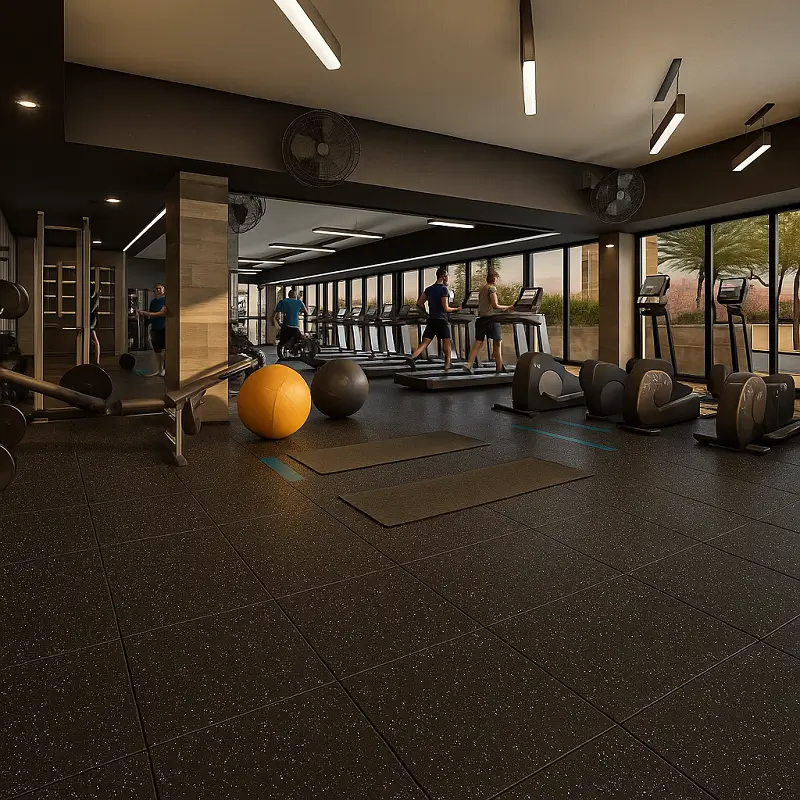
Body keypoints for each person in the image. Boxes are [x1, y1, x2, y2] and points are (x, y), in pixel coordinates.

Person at [406, 267, 461, 370]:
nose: (447, 278)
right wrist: (457, 309)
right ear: (443, 277)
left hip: (432, 319)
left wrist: (426, 312)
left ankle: (412, 357)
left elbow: (419, 303)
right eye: (447, 276)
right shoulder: (444, 289)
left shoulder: (429, 289)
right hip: (441, 320)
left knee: (425, 342)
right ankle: (447, 364)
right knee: (447, 342)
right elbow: (445, 308)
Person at [463, 272, 512, 374]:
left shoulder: (482, 289)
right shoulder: (492, 289)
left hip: (481, 319)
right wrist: (509, 307)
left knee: (478, 342)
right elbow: (495, 305)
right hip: (491, 319)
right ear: (494, 279)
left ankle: (469, 364)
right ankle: (499, 367)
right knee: (497, 342)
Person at [137, 282, 167, 377]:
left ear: (164, 290)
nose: (158, 290)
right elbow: (152, 314)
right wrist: (147, 320)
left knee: (164, 350)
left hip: (164, 327)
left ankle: (164, 369)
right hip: (155, 327)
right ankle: (160, 370)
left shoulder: (166, 300)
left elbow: (162, 313)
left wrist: (146, 313)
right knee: (157, 350)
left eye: (160, 288)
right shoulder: (153, 302)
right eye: (156, 288)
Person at [273, 289, 308, 359]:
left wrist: (277, 322)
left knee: (282, 340)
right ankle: (296, 350)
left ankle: (282, 351)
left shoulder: (283, 302)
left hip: (286, 325)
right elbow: (306, 312)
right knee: (300, 338)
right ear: (295, 295)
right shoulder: (299, 302)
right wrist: (299, 311)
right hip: (295, 326)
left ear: (288, 295)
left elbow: (277, 315)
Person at [89, 282, 101, 364]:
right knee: (94, 339)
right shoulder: (94, 298)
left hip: (92, 320)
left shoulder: (91, 299)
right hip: (93, 319)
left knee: (95, 339)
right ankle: (97, 360)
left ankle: (97, 360)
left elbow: (92, 311)